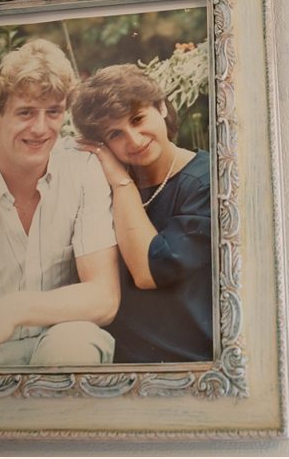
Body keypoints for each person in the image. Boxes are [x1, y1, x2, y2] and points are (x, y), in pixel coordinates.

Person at [0, 39, 120, 367]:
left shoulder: (82, 171)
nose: (40, 128)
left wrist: (13, 309)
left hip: (60, 344)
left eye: (53, 112)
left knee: (75, 342)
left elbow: (104, 299)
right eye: (25, 112)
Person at [72, 64, 213, 363]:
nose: (134, 140)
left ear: (161, 107)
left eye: (137, 119)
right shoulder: (99, 182)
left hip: (184, 364)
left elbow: (149, 273)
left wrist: (121, 184)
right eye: (115, 134)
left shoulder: (207, 182)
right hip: (113, 362)